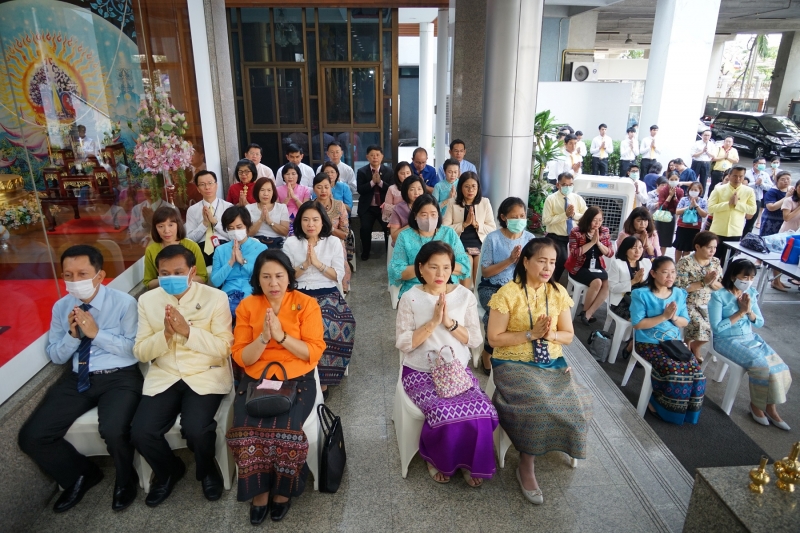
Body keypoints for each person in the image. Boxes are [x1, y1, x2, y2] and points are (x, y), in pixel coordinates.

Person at [18, 245, 142, 513]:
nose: (75, 282)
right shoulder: (61, 306)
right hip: (77, 377)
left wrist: (97, 334)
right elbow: (56, 356)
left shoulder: (124, 303)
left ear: (100, 275)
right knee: (32, 436)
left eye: (82, 274)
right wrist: (73, 337)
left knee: (113, 429)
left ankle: (125, 478)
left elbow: (134, 350)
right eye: (68, 275)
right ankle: (81, 474)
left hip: (119, 376)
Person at [487, 238, 592, 504]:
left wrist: (550, 334)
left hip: (550, 361)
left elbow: (568, 335)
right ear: (525, 261)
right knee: (540, 403)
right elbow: (495, 339)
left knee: (580, 401)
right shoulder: (507, 294)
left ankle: (561, 443)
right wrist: (530, 334)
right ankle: (526, 464)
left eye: (553, 262)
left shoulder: (557, 293)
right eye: (542, 261)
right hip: (513, 362)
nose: (548, 268)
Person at [227, 250, 326, 524]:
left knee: (287, 428)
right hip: (257, 379)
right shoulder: (247, 306)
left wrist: (281, 337)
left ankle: (284, 492)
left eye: (279, 276)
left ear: (289, 277)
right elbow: (241, 357)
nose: (273, 283)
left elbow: (313, 352)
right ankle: (259, 492)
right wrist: (263, 338)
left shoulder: (306, 304)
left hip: (296, 379)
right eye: (266, 276)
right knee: (245, 427)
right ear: (257, 279)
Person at [131, 245, 234, 505]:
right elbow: (141, 352)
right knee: (141, 432)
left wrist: (188, 332)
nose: (170, 278)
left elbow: (224, 347)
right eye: (164, 273)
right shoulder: (147, 301)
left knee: (197, 429)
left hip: (204, 372)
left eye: (178, 271)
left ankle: (207, 470)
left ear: (191, 272)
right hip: (165, 374)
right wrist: (165, 334)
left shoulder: (214, 298)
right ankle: (168, 471)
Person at [396, 241, 498, 486]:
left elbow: (474, 339)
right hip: (421, 371)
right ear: (420, 268)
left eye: (446, 267)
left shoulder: (463, 296)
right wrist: (433, 322)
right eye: (433, 267)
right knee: (443, 412)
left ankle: (468, 461)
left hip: (456, 371)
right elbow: (403, 342)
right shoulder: (410, 298)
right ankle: (437, 459)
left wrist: (449, 322)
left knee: (482, 412)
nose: (440, 274)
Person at [709, 259, 792, 430]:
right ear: (733, 276)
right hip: (726, 341)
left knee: (779, 366)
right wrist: (741, 312)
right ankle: (756, 405)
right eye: (744, 277)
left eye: (752, 277)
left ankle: (771, 407)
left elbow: (759, 323)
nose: (748, 281)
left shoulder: (751, 294)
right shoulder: (719, 297)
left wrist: (750, 311)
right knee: (760, 365)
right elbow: (717, 328)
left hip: (750, 338)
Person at [283, 201, 354, 392]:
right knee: (292, 326)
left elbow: (338, 275)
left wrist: (318, 263)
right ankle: (299, 373)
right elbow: (287, 277)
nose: (310, 224)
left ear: (323, 222)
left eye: (315, 219)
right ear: (299, 222)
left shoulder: (333, 242)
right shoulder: (291, 243)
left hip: (327, 291)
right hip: (299, 293)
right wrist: (306, 264)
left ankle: (323, 380)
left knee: (329, 325)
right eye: (305, 220)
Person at [630, 256, 703, 425]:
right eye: (665, 272)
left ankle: (687, 413)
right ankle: (658, 406)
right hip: (648, 342)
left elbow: (684, 321)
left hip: (673, 342)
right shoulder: (640, 294)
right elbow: (638, 324)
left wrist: (674, 317)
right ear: (654, 273)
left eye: (673, 272)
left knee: (696, 371)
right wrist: (664, 316)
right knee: (673, 369)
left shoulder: (678, 293)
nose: (670, 276)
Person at [477, 197, 535, 374]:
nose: (519, 220)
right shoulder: (492, 238)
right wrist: (510, 260)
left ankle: (516, 353)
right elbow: (486, 272)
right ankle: (488, 352)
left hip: (520, 288)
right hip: (492, 288)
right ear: (503, 217)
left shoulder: (530, 239)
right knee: (499, 312)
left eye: (522, 216)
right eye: (514, 216)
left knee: (529, 314)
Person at [389, 194, 470, 298]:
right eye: (424, 215)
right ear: (415, 215)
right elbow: (396, 270)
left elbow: (464, 266)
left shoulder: (449, 233)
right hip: (415, 289)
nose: (429, 219)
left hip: (446, 288)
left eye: (433, 214)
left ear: (438, 215)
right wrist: (426, 268)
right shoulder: (405, 236)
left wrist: (437, 267)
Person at [211, 205, 268, 318]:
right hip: (229, 294)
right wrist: (231, 262)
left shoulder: (261, 248)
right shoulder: (220, 250)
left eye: (239, 226)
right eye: (230, 228)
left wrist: (242, 261)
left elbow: (262, 276)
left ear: (247, 226)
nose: (235, 231)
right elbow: (216, 281)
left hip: (253, 292)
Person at [675, 231, 723, 362]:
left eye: (715, 247)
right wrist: (703, 282)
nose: (712, 251)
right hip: (688, 303)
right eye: (709, 247)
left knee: (720, 326)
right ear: (697, 247)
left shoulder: (715, 262)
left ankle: (693, 345)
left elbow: (721, 286)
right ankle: (690, 345)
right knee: (702, 327)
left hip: (710, 302)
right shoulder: (685, 263)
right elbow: (679, 289)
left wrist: (712, 282)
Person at [443, 171, 496, 287]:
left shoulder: (485, 202)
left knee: (479, 262)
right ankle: (465, 294)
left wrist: (477, 225)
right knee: (467, 260)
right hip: (460, 243)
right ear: (460, 187)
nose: (470, 190)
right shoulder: (452, 203)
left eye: (473, 186)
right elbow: (445, 228)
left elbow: (492, 228)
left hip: (479, 243)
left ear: (478, 187)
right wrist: (464, 224)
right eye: (466, 187)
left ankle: (477, 296)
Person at [565, 206, 614, 325]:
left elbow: (610, 253)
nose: (598, 223)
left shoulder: (604, 232)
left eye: (600, 220)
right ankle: (586, 312)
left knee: (608, 284)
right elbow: (574, 253)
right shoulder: (576, 232)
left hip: (596, 265)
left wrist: (598, 243)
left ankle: (588, 313)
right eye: (594, 220)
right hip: (578, 266)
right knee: (597, 282)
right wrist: (591, 243)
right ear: (588, 219)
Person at [143, 206, 207, 289]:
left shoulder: (192, 246)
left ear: (178, 225)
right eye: (161, 226)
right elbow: (148, 283)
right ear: (155, 228)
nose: (166, 231)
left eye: (170, 225)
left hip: (190, 290)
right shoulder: (150, 250)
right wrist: (166, 280)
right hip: (164, 292)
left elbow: (203, 278)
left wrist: (181, 280)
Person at [606, 236, 651, 355]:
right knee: (642, 320)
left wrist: (642, 282)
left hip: (640, 301)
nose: (638, 251)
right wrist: (633, 281)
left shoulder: (646, 263)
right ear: (625, 249)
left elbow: (651, 287)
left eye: (640, 248)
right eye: (633, 248)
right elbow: (613, 287)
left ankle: (633, 344)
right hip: (621, 301)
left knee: (653, 318)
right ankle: (637, 348)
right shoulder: (617, 263)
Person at [543, 172, 587, 284]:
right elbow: (546, 220)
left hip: (575, 237)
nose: (568, 187)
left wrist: (574, 215)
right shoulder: (551, 199)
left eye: (570, 184)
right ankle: (551, 285)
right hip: (556, 238)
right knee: (560, 260)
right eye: (564, 184)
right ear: (558, 185)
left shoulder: (577, 198)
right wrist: (564, 215)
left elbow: (587, 217)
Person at [312, 173, 353, 292]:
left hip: (336, 241)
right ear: (314, 189)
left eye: (326, 186)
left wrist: (330, 229)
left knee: (339, 255)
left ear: (331, 187)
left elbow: (345, 234)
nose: (323, 190)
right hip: (315, 241)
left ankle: (341, 288)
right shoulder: (310, 206)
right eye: (319, 187)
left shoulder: (339, 205)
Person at [185, 170, 233, 266]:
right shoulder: (192, 210)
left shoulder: (228, 207)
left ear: (216, 185)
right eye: (202, 184)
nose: (207, 187)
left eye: (210, 183)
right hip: (201, 247)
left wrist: (215, 223)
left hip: (223, 245)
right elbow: (190, 239)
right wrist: (204, 224)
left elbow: (233, 235)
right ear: (198, 189)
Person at [708, 166, 756, 261]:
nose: (737, 179)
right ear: (729, 176)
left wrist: (737, 204)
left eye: (740, 176)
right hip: (717, 230)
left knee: (728, 261)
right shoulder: (719, 189)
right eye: (735, 176)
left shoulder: (749, 191)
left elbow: (752, 210)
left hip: (735, 231)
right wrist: (728, 204)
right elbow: (710, 208)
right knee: (712, 259)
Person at [356, 144, 394, 261]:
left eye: (377, 155)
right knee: (365, 228)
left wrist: (380, 182)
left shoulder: (389, 171)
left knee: (387, 228)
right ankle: (366, 252)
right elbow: (360, 190)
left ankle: (390, 253)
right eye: (372, 155)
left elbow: (391, 189)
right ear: (367, 157)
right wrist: (372, 182)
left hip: (383, 207)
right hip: (368, 208)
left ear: (382, 156)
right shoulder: (362, 171)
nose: (375, 157)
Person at [247, 177, 290, 248]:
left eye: (269, 190)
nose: (266, 194)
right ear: (257, 192)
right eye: (262, 190)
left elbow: (285, 232)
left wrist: (270, 221)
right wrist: (260, 220)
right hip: (255, 242)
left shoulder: (282, 207)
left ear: (273, 192)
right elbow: (248, 233)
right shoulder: (249, 208)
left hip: (277, 242)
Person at [673, 182, 709, 261]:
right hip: (682, 227)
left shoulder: (703, 201)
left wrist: (696, 205)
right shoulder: (684, 199)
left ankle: (684, 263)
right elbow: (677, 211)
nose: (693, 191)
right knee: (679, 247)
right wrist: (688, 207)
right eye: (692, 189)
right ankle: (677, 263)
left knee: (687, 248)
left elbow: (704, 214)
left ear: (700, 191)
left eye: (695, 190)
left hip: (694, 228)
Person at [649, 172, 683, 256]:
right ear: (668, 179)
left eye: (676, 179)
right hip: (661, 216)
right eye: (671, 179)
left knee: (665, 241)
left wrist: (675, 198)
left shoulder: (680, 191)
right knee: (656, 239)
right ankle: (654, 257)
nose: (674, 181)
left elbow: (679, 207)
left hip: (671, 217)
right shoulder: (663, 190)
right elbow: (661, 206)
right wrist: (670, 196)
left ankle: (661, 257)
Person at [388, 175, 425, 245]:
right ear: (405, 191)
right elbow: (394, 236)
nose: (416, 193)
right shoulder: (398, 209)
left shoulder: (429, 205)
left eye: (419, 189)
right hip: (405, 245)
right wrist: (412, 224)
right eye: (412, 189)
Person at [276, 161, 313, 226]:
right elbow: (277, 210)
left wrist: (294, 198)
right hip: (283, 220)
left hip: (301, 219)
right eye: (287, 174)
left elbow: (305, 209)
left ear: (298, 175)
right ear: (283, 176)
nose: (290, 177)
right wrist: (287, 199)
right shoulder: (277, 190)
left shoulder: (305, 189)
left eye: (293, 174)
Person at [746, 157, 772, 227]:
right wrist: (755, 183)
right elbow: (743, 185)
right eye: (761, 163)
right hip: (746, 199)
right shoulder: (747, 173)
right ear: (754, 164)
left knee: (751, 223)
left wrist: (761, 184)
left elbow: (770, 187)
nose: (763, 165)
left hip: (757, 200)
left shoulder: (765, 175)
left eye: (764, 164)